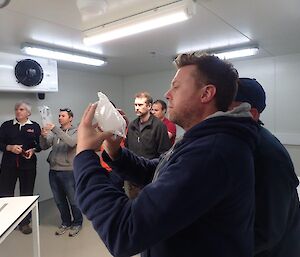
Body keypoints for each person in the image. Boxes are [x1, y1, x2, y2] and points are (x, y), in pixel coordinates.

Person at [73, 53, 258, 257]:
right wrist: (115, 151)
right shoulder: (204, 140)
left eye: (176, 86)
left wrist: (84, 154)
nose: (167, 93)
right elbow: (159, 171)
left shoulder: (212, 152)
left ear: (206, 94)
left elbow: (124, 230)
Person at [232, 78, 300, 257]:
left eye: (225, 107)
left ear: (252, 114)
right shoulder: (242, 143)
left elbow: (268, 231)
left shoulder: (267, 154)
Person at [40, 108, 83, 237]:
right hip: (53, 171)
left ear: (70, 118)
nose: (59, 118)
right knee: (59, 200)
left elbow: (71, 143)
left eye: (63, 116)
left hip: (69, 172)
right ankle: (66, 222)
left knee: (73, 200)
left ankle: (77, 223)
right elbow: (44, 146)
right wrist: (42, 136)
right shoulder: (54, 133)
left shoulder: (77, 131)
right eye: (59, 116)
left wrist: (55, 130)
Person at [0, 100, 41, 234]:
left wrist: (33, 150)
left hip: (28, 166)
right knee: (5, 193)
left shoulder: (35, 126)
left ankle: (24, 223)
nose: (18, 111)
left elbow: (40, 145)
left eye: (22, 109)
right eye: (17, 109)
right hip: (8, 165)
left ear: (28, 112)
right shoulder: (6, 126)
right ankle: (6, 222)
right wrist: (9, 147)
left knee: (26, 194)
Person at [125, 92, 171, 198]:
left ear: (149, 106)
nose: (137, 108)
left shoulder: (158, 126)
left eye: (140, 105)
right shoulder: (132, 125)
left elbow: (164, 154)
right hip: (133, 177)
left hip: (151, 177)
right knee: (133, 209)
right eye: (135, 105)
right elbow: (127, 148)